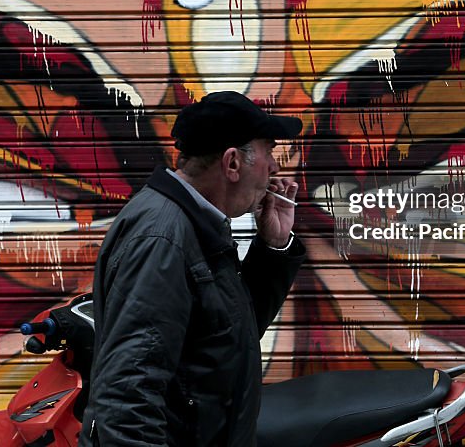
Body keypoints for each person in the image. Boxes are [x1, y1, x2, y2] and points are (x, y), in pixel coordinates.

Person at [78, 91, 307, 447]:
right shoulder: (163, 240)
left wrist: (272, 248)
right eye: (268, 153)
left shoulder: (195, 225)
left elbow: (225, 336)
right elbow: (128, 399)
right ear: (232, 163)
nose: (275, 168)